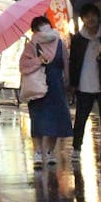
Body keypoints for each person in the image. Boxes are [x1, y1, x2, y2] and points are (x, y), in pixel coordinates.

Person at [69, 3, 101, 167]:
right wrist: (72, 84)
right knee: (80, 119)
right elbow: (73, 62)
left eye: (93, 15)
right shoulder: (78, 38)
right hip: (84, 85)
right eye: (87, 16)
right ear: (83, 19)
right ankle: (76, 148)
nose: (90, 19)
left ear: (98, 17)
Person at [20, 16, 72, 168]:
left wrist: (68, 83)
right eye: (40, 27)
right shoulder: (32, 45)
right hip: (38, 86)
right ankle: (38, 151)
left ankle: (48, 151)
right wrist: (39, 60)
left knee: (55, 118)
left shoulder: (59, 43)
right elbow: (23, 65)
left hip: (56, 84)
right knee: (38, 118)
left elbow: (66, 63)